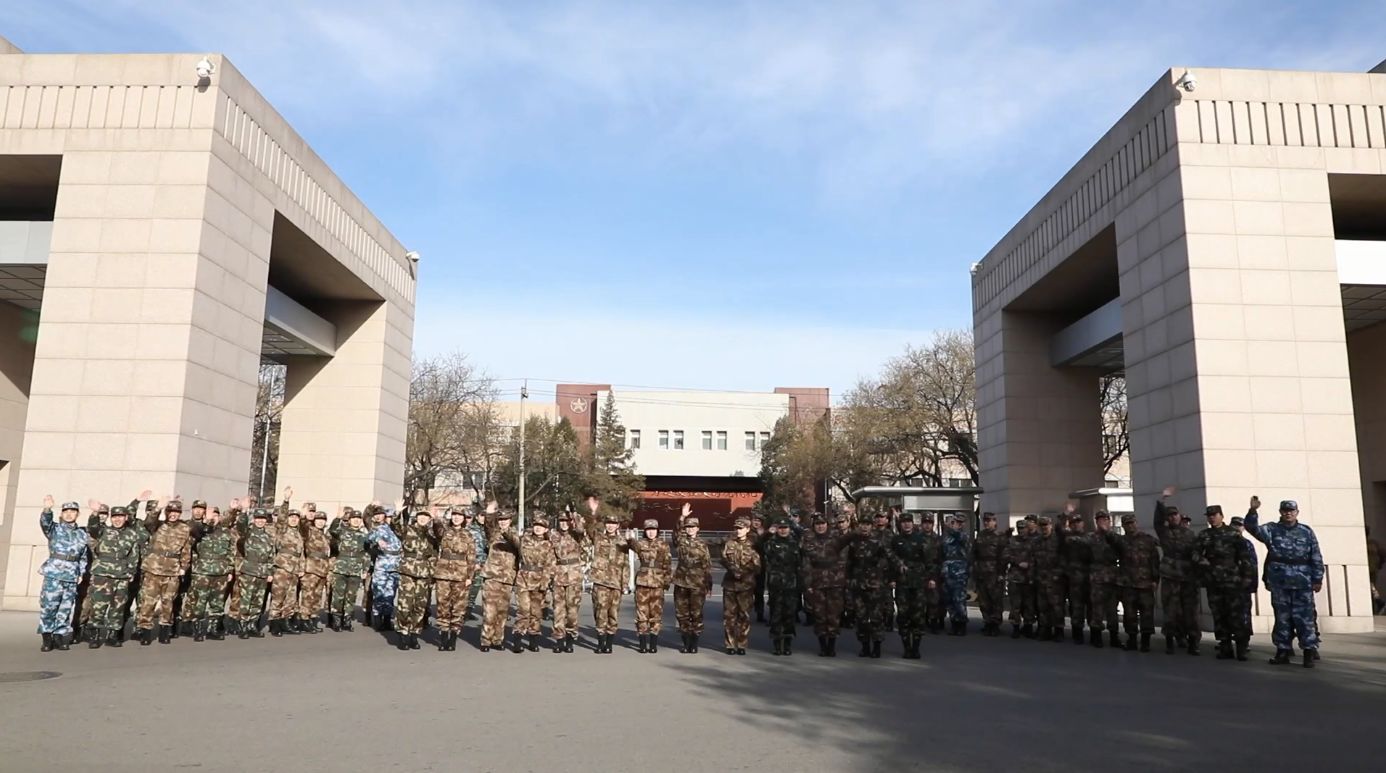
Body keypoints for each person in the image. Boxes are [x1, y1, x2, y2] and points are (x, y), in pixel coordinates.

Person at [1244, 496, 1324, 667]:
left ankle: (1309, 651)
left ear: (1297, 513)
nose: (1288, 513)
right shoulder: (1272, 529)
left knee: (1305, 618)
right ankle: (1282, 650)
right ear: (1280, 512)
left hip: (1302, 581)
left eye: (1291, 511)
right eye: (1285, 511)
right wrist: (1253, 511)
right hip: (1280, 581)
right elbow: (1252, 528)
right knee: (1282, 618)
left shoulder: (1306, 531)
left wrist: (1317, 578)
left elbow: (1315, 556)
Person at [1193, 504, 1257, 661]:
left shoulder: (1233, 534)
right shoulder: (1204, 535)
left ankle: (1241, 648)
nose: (1212, 518)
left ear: (1222, 516)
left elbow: (1245, 558)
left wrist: (1247, 578)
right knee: (1219, 615)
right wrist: (1203, 561)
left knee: (1236, 615)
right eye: (1209, 516)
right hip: (1214, 582)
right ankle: (1225, 646)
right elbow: (1194, 553)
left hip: (1233, 581)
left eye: (1215, 515)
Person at [83, 503, 144, 648]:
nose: (117, 520)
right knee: (98, 605)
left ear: (126, 517)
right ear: (111, 518)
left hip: (121, 575)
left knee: (118, 607)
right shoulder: (102, 530)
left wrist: (131, 572)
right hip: (102, 574)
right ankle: (95, 635)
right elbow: (92, 527)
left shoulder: (132, 534)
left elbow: (134, 556)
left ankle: (112, 635)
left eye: (120, 517)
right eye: (115, 517)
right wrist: (94, 513)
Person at [135, 497, 192, 645]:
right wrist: (158, 507)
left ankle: (164, 631)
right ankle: (145, 632)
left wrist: (183, 567)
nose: (173, 514)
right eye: (170, 511)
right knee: (148, 602)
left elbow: (186, 550)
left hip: (172, 571)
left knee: (168, 603)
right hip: (153, 569)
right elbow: (149, 521)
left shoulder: (184, 528)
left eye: (176, 512)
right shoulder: (157, 525)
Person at [36, 497, 90, 651]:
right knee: (49, 606)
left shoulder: (81, 534)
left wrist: (81, 572)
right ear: (62, 513)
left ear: (77, 514)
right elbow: (45, 523)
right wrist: (47, 510)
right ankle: (47, 637)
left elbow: (83, 556)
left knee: (65, 608)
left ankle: (59, 636)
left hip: (71, 575)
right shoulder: (55, 529)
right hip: (54, 573)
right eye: (66, 511)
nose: (69, 514)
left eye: (72, 511)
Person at [801, 513, 857, 656]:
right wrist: (807, 584)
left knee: (834, 614)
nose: (820, 526)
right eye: (817, 524)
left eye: (823, 524)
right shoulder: (809, 541)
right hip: (817, 582)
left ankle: (831, 646)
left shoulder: (836, 539)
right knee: (819, 614)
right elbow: (806, 564)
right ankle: (822, 645)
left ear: (827, 525)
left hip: (835, 582)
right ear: (814, 527)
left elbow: (847, 547)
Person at [1154, 486, 1201, 655]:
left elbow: (1196, 553)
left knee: (1191, 611)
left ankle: (1193, 642)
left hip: (1188, 577)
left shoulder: (1190, 534)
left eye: (1175, 515)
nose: (1173, 517)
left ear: (1180, 517)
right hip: (1170, 576)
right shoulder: (1164, 532)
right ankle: (1170, 641)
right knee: (1171, 610)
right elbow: (1157, 520)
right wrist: (1162, 499)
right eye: (1170, 515)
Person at [1106, 512, 1159, 652]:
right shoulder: (1121, 541)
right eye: (1127, 524)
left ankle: (1146, 641)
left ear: (1136, 523)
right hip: (1127, 583)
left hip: (1145, 583)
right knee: (1129, 614)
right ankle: (1132, 640)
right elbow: (1110, 539)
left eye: (1132, 523)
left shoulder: (1148, 540)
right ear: (1123, 526)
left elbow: (1154, 560)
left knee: (1147, 613)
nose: (1130, 526)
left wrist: (1155, 579)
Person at [585, 497, 631, 654]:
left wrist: (625, 584)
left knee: (613, 613)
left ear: (617, 526)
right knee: (600, 612)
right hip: (601, 582)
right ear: (605, 525)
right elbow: (590, 528)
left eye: (613, 524)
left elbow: (626, 564)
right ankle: (600, 642)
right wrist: (593, 512)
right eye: (608, 523)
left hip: (616, 582)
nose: (610, 526)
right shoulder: (599, 538)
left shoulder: (623, 542)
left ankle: (609, 643)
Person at [185, 503, 237, 642]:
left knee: (218, 603)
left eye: (215, 515)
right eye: (210, 514)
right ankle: (197, 630)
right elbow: (193, 535)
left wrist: (230, 569)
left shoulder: (225, 532)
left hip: (221, 572)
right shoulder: (200, 529)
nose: (213, 517)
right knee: (200, 602)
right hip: (202, 572)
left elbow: (231, 552)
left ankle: (212, 629)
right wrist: (206, 522)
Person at [429, 507, 478, 651]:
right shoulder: (445, 531)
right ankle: (443, 636)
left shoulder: (468, 535)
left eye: (459, 516)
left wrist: (470, 576)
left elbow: (472, 557)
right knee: (443, 605)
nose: (456, 518)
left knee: (458, 607)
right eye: (454, 515)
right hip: (443, 573)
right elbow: (437, 529)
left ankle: (453, 638)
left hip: (461, 574)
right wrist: (436, 518)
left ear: (464, 519)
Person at [890, 512, 937, 659]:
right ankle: (907, 647)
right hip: (902, 583)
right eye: (904, 522)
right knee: (903, 616)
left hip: (919, 583)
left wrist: (931, 578)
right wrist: (892, 578)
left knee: (918, 616)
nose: (906, 524)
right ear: (900, 524)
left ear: (913, 523)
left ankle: (916, 648)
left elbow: (930, 561)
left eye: (909, 522)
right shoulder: (896, 540)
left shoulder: (921, 539)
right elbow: (891, 562)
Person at [392, 508, 440, 651]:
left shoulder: (431, 535)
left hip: (424, 572)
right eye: (421, 516)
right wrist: (398, 512)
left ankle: (414, 634)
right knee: (405, 604)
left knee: (420, 605)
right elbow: (395, 526)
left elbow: (435, 553)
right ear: (416, 517)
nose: (423, 519)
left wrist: (433, 574)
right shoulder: (408, 530)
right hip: (408, 571)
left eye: (426, 517)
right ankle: (403, 634)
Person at [847, 511, 892, 658]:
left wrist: (893, 574)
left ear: (871, 526)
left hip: (875, 585)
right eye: (862, 524)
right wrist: (848, 580)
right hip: (859, 585)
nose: (865, 527)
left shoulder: (878, 543)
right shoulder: (854, 543)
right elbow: (850, 564)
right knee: (861, 617)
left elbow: (889, 559)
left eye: (867, 524)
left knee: (876, 617)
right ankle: (865, 646)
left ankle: (877, 646)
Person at [479, 505, 522, 653]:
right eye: (501, 520)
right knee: (489, 611)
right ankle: (486, 640)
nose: (503, 522)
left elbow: (517, 544)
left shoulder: (515, 534)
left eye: (505, 520)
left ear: (510, 520)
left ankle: (498, 640)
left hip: (508, 578)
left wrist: (506, 532)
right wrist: (490, 513)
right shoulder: (493, 533)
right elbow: (488, 525)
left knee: (502, 612)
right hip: (492, 576)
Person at [514, 514, 557, 653]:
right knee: (523, 610)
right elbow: (511, 538)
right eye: (536, 525)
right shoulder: (524, 540)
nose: (538, 528)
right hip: (524, 578)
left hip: (539, 580)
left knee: (536, 612)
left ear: (546, 529)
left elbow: (550, 565)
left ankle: (533, 640)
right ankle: (518, 640)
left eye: (541, 526)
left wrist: (545, 582)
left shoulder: (548, 545)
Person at [231, 508, 276, 638]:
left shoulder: (268, 537)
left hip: (262, 573)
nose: (260, 521)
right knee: (246, 599)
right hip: (249, 571)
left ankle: (252, 625)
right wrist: (244, 512)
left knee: (258, 600)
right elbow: (241, 525)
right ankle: (243, 625)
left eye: (263, 519)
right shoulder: (248, 533)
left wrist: (270, 572)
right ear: (254, 519)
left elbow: (271, 557)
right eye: (258, 518)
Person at [630, 518, 672, 654]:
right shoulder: (640, 544)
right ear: (645, 531)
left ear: (657, 531)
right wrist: (629, 539)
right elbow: (630, 545)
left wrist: (667, 581)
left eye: (653, 530)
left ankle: (653, 643)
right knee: (641, 613)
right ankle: (642, 643)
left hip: (658, 582)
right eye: (648, 530)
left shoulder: (663, 545)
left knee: (656, 613)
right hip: (642, 581)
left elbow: (667, 564)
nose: (651, 533)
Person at [762, 516, 802, 656]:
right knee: (776, 615)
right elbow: (759, 545)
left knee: (789, 615)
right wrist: (768, 533)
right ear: (777, 529)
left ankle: (788, 644)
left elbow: (800, 563)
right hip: (775, 585)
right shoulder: (771, 543)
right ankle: (777, 644)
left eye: (786, 528)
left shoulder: (795, 543)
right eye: (781, 528)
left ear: (789, 529)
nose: (783, 530)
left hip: (791, 585)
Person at [721, 516, 761, 655]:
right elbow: (723, 558)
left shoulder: (752, 545)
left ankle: (742, 644)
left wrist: (743, 572)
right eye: (736, 528)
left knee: (744, 616)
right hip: (730, 585)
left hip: (746, 585)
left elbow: (757, 566)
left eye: (741, 528)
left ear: (747, 529)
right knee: (729, 616)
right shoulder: (729, 544)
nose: (738, 531)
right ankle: (730, 644)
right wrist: (732, 569)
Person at [327, 508, 371, 632]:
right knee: (338, 595)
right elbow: (332, 530)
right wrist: (337, 518)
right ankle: (336, 620)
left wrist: (365, 569)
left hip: (356, 568)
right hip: (341, 566)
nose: (356, 520)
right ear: (349, 520)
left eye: (358, 518)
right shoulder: (342, 531)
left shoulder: (364, 536)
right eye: (353, 518)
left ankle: (347, 620)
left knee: (351, 596)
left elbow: (366, 554)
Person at [268, 493, 305, 637]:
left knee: (291, 598)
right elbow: (282, 518)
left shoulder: (298, 534)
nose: (294, 519)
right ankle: (274, 623)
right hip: (282, 568)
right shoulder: (282, 530)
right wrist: (286, 501)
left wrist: (301, 568)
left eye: (296, 517)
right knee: (278, 597)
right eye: (291, 517)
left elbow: (300, 553)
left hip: (294, 570)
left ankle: (286, 621)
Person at [549, 508, 587, 653]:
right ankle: (559, 639)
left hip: (573, 575)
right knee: (558, 610)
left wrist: (574, 514)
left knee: (572, 611)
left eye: (566, 521)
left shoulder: (576, 534)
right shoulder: (554, 535)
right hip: (559, 575)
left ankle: (570, 639)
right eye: (561, 521)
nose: (564, 524)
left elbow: (580, 528)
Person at [1088, 511, 1122, 648]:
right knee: (1097, 608)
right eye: (1100, 520)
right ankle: (1096, 636)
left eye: (1105, 520)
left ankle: (1114, 637)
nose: (1102, 522)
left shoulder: (1115, 537)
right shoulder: (1091, 537)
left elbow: (1120, 546)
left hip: (1112, 578)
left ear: (1110, 521)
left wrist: (1107, 532)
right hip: (1097, 578)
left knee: (1112, 610)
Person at [367, 505, 403, 631]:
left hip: (396, 565)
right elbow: (368, 538)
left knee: (390, 594)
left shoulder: (398, 530)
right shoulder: (378, 529)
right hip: (382, 564)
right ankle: (377, 619)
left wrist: (399, 512)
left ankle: (387, 619)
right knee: (379, 592)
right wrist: (377, 540)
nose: (388, 519)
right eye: (386, 517)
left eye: (391, 517)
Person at [1059, 509, 1092, 645]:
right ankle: (1077, 633)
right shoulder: (1066, 537)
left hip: (1089, 577)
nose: (1076, 525)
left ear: (1083, 524)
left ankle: (1094, 633)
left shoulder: (1090, 537)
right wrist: (1065, 515)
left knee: (1091, 606)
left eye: (1078, 522)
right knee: (1076, 606)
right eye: (1073, 523)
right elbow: (1058, 529)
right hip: (1073, 579)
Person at [971, 513, 1007, 636]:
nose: (986, 523)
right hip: (981, 571)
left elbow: (1003, 556)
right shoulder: (980, 535)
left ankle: (995, 623)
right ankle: (987, 622)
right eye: (985, 521)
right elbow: (974, 553)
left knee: (996, 599)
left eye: (989, 520)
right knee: (983, 600)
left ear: (994, 522)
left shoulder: (1000, 536)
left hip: (994, 572)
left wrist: (1001, 573)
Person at [1030, 515, 1064, 642]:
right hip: (1040, 578)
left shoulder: (1057, 540)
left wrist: (1058, 574)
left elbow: (1063, 559)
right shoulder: (1036, 541)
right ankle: (1045, 629)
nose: (1044, 528)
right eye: (1042, 525)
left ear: (1050, 525)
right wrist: (1033, 576)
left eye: (1046, 525)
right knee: (1042, 606)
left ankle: (1059, 630)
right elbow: (1033, 559)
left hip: (1054, 579)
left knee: (1056, 606)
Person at [298, 508, 332, 634]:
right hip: (311, 568)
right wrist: (304, 517)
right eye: (318, 520)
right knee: (308, 595)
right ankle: (304, 620)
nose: (320, 522)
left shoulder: (324, 535)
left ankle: (312, 618)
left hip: (322, 569)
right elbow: (302, 527)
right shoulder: (310, 531)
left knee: (317, 596)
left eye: (323, 520)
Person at [1004, 517, 1036, 638]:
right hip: (1015, 577)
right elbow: (1006, 555)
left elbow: (1038, 556)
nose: (1022, 531)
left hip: (1029, 577)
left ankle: (1028, 627)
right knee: (1015, 605)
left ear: (1028, 529)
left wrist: (1029, 564)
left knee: (1029, 604)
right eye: (1020, 528)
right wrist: (1018, 562)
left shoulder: (1034, 541)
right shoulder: (1012, 540)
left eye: (1024, 528)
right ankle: (1016, 627)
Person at [941, 514, 972, 636]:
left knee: (959, 599)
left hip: (959, 571)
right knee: (949, 599)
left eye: (960, 522)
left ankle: (962, 624)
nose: (957, 524)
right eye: (955, 522)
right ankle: (954, 622)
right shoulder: (946, 536)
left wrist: (953, 529)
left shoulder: (964, 535)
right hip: (947, 571)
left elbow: (961, 538)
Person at [1229, 516, 1257, 635]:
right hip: (1227, 584)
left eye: (1239, 525)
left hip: (1242, 584)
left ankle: (1244, 641)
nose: (1236, 528)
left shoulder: (1247, 544)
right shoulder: (1224, 542)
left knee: (1244, 614)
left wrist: (1252, 585)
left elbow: (1253, 565)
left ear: (1244, 528)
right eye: (1234, 524)